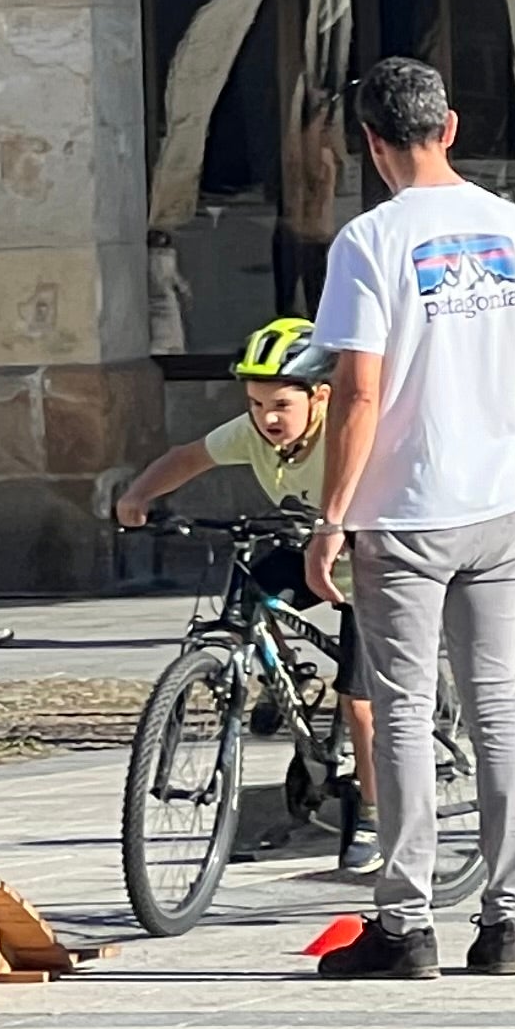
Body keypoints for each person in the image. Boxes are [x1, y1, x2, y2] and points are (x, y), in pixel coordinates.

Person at [305, 57, 515, 979]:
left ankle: (406, 923)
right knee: (497, 708)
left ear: (370, 142)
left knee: (405, 711)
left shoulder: (369, 241)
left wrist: (331, 516)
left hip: (405, 507)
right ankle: (506, 920)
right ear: (449, 128)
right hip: (499, 500)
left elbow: (357, 390)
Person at [114, 315, 373, 852]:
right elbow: (188, 456)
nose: (266, 418)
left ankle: (374, 813)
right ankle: (277, 675)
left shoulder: (347, 432)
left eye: (281, 405)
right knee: (250, 580)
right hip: (308, 547)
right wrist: (139, 495)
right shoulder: (252, 433)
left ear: (321, 397)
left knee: (359, 703)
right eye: (255, 404)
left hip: (369, 558)